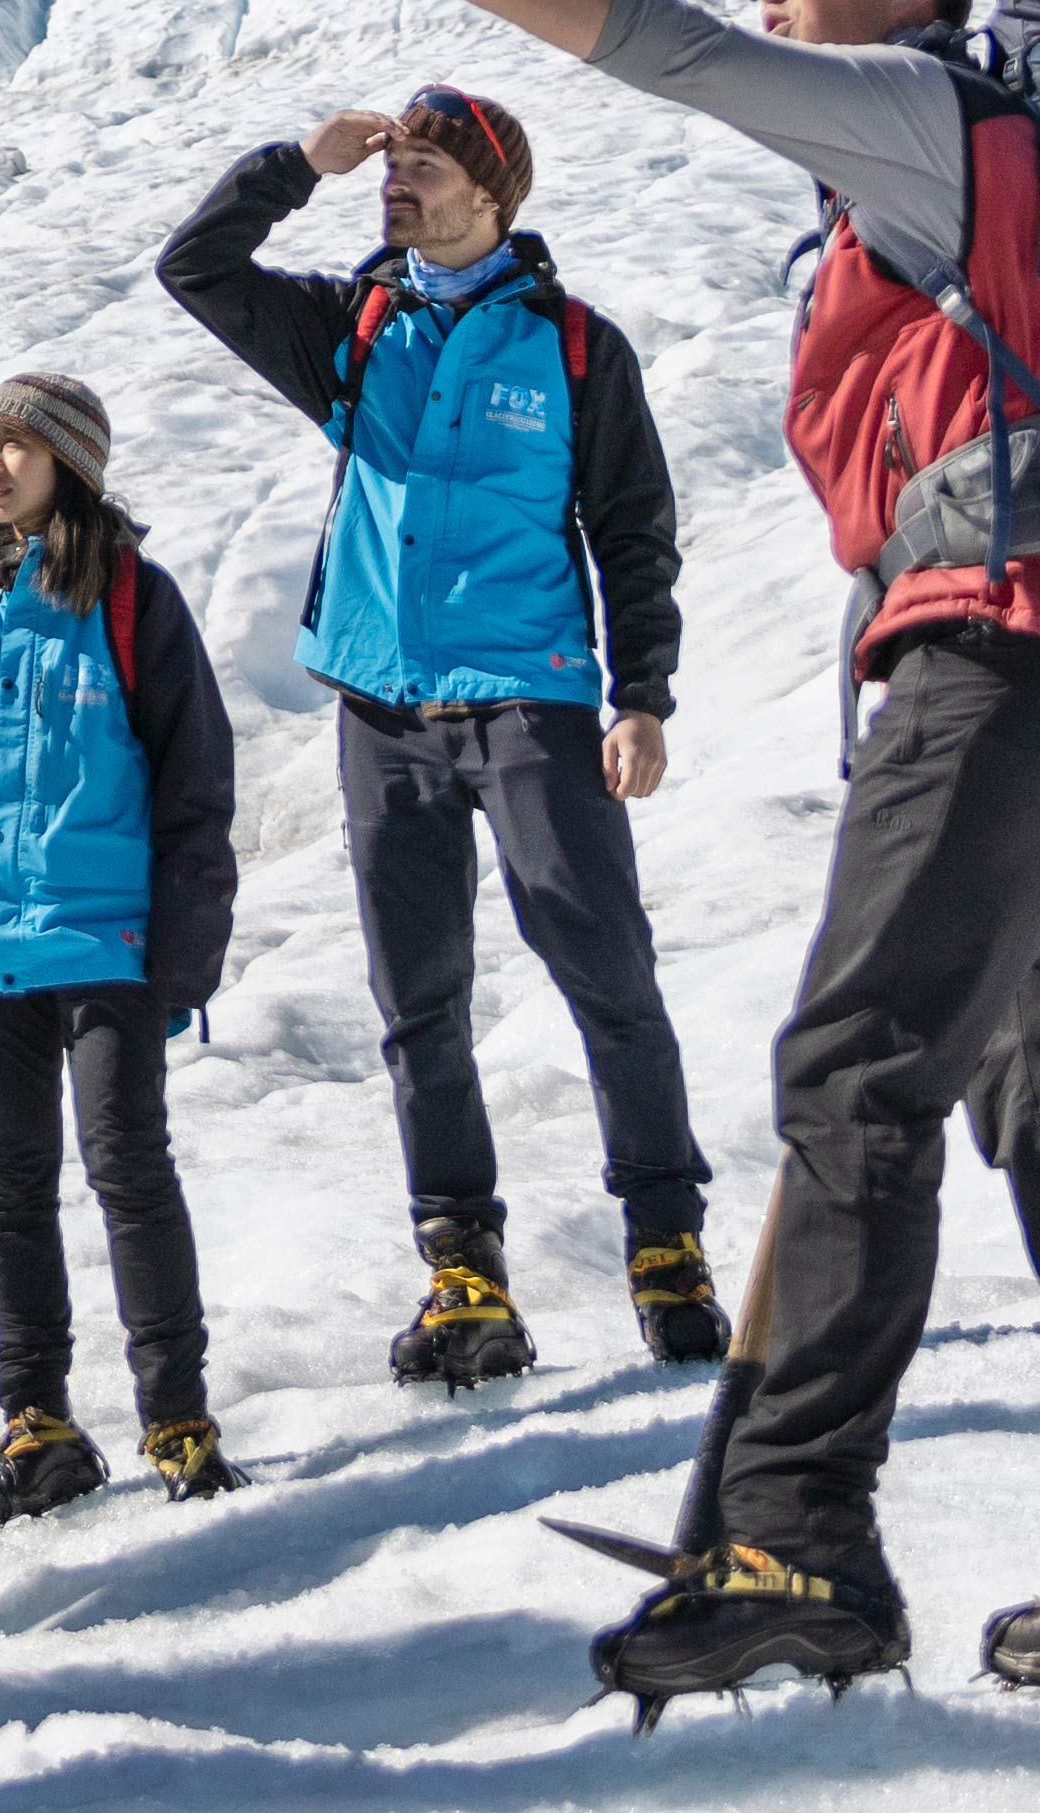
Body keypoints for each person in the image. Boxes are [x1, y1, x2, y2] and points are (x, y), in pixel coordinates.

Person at [258, 0, 1040, 1710]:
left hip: (1010, 638)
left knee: (854, 1066)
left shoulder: (922, 112)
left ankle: (797, 1533)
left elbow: (676, 51)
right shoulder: (949, 189)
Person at [154, 73, 718, 1392]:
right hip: (382, 709)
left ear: (492, 192)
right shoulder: (353, 329)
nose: (398, 182)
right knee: (420, 1006)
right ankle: (463, 1270)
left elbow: (634, 533)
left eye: (424, 167)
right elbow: (196, 266)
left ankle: (665, 1246)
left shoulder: (576, 347)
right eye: (394, 164)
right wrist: (303, 162)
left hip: (533, 700)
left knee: (604, 972)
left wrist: (642, 697)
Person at [0, 368, 241, 1527]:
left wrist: (183, 955)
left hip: (103, 939)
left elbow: (195, 782)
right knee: (9, 1187)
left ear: (71, 466)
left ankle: (175, 1415)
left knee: (124, 1168)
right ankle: (36, 1419)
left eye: (17, 446)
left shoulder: (130, 599)